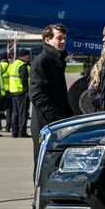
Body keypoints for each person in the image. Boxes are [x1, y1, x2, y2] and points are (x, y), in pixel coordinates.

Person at [30, 24, 74, 158]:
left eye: (64, 38)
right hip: (47, 123)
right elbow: (37, 95)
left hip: (57, 123)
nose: (63, 41)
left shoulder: (56, 61)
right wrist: (56, 117)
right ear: (47, 40)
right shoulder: (41, 62)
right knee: (46, 162)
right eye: (59, 38)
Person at [7, 48, 31, 138]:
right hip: (21, 92)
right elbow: (24, 79)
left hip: (13, 91)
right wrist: (27, 91)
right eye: (27, 55)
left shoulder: (13, 64)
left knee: (15, 113)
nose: (29, 57)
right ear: (23, 56)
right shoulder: (22, 65)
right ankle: (22, 132)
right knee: (23, 113)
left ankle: (14, 132)